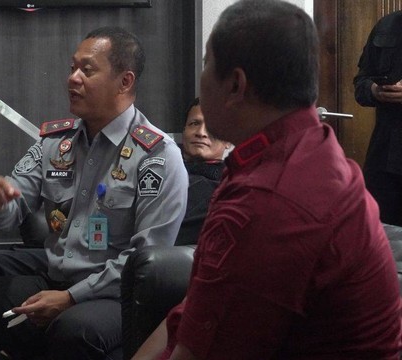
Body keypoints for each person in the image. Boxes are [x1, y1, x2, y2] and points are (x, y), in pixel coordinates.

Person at [134, 1, 402, 359]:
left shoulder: (268, 203)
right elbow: (194, 307)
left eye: (205, 65)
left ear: (235, 84)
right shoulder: (307, 146)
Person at [0, 26, 188, 360]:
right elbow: (14, 211)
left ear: (125, 81)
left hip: (115, 296)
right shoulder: (56, 142)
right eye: (72, 67)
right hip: (56, 277)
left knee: (73, 330)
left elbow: (144, 262)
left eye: (87, 70)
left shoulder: (156, 155)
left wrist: (72, 298)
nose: (72, 78)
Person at [354, 10, 402, 227]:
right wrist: (374, 90)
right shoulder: (386, 26)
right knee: (380, 237)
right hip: (384, 162)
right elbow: (361, 82)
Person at [176, 97, 231, 245]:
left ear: (228, 140)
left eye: (212, 127)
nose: (201, 132)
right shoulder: (162, 173)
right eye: (194, 123)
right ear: (184, 130)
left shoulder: (230, 188)